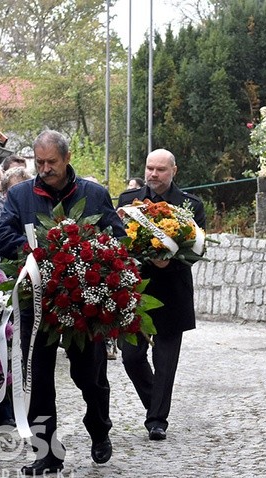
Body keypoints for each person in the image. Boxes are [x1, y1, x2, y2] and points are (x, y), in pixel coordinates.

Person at [0, 130, 124, 475]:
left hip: (85, 302)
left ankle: (99, 427)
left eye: (52, 162)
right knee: (37, 377)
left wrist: (90, 251)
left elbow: (117, 235)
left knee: (89, 374)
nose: (45, 168)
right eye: (40, 162)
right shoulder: (20, 194)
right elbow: (2, 234)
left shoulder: (94, 194)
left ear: (67, 159)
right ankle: (46, 452)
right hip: (36, 301)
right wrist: (37, 250)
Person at [117, 148, 206, 440]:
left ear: (173, 171)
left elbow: (197, 250)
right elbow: (117, 242)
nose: (153, 174)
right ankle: (155, 401)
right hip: (135, 290)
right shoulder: (128, 202)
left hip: (172, 290)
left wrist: (169, 261)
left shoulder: (190, 205)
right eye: (149, 168)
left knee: (166, 360)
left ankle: (157, 420)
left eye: (160, 170)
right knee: (131, 356)